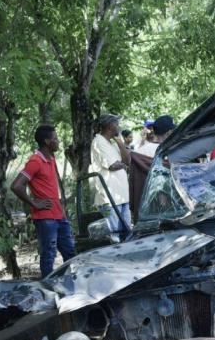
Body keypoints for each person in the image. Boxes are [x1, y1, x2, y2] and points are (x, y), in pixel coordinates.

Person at [10, 124, 75, 278]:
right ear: (46, 141)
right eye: (55, 139)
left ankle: (72, 284)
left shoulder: (50, 159)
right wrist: (34, 203)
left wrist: (62, 210)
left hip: (58, 215)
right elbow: (16, 186)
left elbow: (52, 188)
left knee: (70, 252)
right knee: (49, 256)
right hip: (46, 218)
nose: (58, 141)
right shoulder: (35, 161)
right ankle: (48, 288)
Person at [89, 115, 132, 239]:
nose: (119, 126)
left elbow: (127, 161)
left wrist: (120, 143)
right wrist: (122, 164)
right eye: (116, 124)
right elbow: (113, 165)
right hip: (110, 198)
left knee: (127, 235)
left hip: (123, 196)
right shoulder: (98, 141)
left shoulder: (113, 143)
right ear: (109, 126)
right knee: (115, 236)